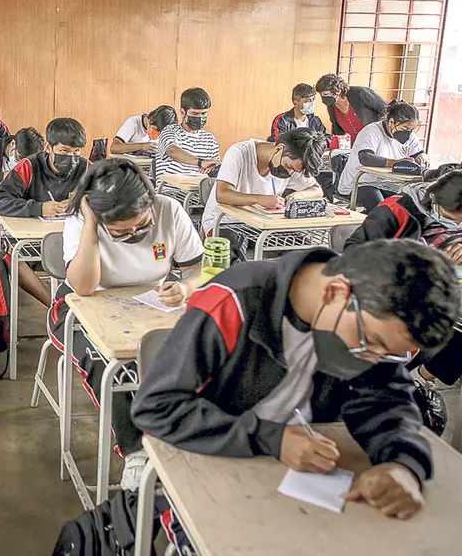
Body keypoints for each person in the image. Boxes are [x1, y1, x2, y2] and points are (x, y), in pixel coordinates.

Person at [133, 240, 459, 527]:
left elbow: (388, 402)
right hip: (217, 461)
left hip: (302, 478)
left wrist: (403, 465)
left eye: (388, 353)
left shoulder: (368, 322)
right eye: (370, 342)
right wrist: (269, 438)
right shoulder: (234, 301)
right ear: (335, 292)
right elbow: (156, 408)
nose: (372, 358)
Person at [48, 158, 204, 491]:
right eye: (122, 232)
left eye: (141, 226)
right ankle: (135, 452)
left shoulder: (169, 211)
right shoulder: (81, 220)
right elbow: (84, 287)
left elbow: (195, 267)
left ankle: (181, 432)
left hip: (150, 304)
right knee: (111, 365)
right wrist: (91, 224)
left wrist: (186, 287)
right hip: (83, 306)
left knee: (197, 351)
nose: (134, 235)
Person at [345, 171, 462, 387]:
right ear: (434, 200)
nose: (455, 227)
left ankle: (422, 377)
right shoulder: (395, 211)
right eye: (451, 220)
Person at [0, 117, 90, 307]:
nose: (72, 157)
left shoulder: (85, 168)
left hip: (75, 241)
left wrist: (83, 203)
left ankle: (79, 306)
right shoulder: (30, 167)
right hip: (34, 241)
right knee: (12, 256)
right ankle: (55, 307)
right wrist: (38, 208)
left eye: (77, 151)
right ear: (48, 147)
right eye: (64, 151)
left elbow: (109, 202)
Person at [202, 129, 327, 236]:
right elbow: (222, 194)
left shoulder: (292, 165)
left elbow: (317, 190)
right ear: (279, 149)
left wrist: (297, 196)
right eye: (289, 167)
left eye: (295, 171)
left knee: (301, 251)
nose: (290, 173)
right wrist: (260, 199)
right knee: (235, 257)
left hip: (262, 224)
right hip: (225, 222)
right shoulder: (239, 153)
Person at [337, 100, 428, 212]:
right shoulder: (372, 131)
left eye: (411, 129)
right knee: (383, 210)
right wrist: (396, 163)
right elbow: (365, 158)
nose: (408, 133)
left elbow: (419, 153)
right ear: (391, 122)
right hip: (361, 183)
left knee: (409, 206)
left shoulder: (410, 136)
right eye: (405, 128)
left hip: (387, 183)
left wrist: (422, 158)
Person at [154, 88, 221, 179]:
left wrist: (214, 167)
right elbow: (172, 151)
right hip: (171, 191)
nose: (200, 118)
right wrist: (201, 162)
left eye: (203, 113)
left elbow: (214, 164)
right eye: (195, 114)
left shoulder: (210, 139)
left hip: (198, 191)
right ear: (183, 112)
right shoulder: (169, 131)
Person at [315, 73, 387, 145]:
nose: (323, 98)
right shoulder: (331, 106)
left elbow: (386, 108)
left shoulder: (360, 93)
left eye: (326, 94)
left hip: (377, 140)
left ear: (337, 91)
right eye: (321, 95)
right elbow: (337, 129)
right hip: (355, 145)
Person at [110, 105, 177, 155]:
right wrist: (142, 146)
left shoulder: (165, 127)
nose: (157, 135)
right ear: (150, 118)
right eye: (155, 129)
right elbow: (114, 148)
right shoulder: (133, 123)